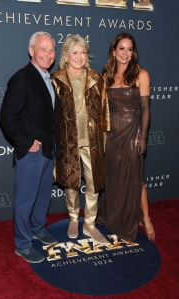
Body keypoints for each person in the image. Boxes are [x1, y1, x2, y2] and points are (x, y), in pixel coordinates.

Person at [0, 31, 58, 263]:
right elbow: (6, 118)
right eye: (43, 49)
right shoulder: (22, 78)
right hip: (31, 152)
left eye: (52, 50)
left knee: (42, 196)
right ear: (31, 51)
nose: (48, 54)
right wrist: (26, 142)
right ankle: (22, 244)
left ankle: (38, 228)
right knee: (26, 199)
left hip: (48, 150)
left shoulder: (48, 78)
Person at [52, 34, 110, 244]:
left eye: (83, 52)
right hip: (68, 141)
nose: (79, 57)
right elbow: (52, 113)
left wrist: (104, 136)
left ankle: (90, 224)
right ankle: (74, 218)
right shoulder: (56, 78)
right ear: (66, 55)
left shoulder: (96, 77)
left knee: (94, 184)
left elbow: (105, 109)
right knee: (71, 184)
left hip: (92, 141)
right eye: (74, 52)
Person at [97, 32, 155, 242]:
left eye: (129, 49)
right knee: (113, 178)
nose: (125, 53)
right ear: (114, 51)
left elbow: (146, 109)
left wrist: (143, 137)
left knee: (136, 178)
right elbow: (104, 111)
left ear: (134, 53)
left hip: (132, 135)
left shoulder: (141, 74)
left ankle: (145, 219)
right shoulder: (106, 76)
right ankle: (115, 216)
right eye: (121, 48)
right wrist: (103, 137)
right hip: (112, 136)